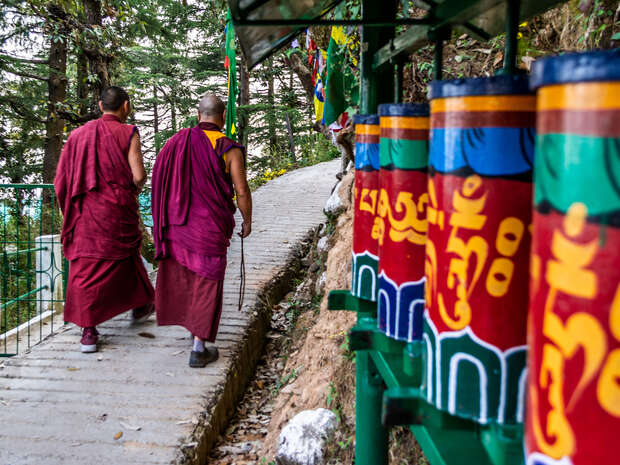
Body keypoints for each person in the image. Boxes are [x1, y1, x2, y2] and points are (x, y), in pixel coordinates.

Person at [151, 94, 252, 368]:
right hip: (209, 226)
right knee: (208, 279)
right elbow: (241, 191)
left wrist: (159, 222)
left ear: (198, 116)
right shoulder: (229, 148)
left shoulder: (175, 143)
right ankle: (199, 347)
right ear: (222, 118)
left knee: (186, 275)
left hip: (178, 223)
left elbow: (158, 180)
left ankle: (193, 331)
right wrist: (247, 221)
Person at [55, 86, 155, 353]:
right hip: (116, 211)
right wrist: (131, 191)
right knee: (125, 257)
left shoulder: (77, 136)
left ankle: (89, 332)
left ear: (100, 106)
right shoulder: (128, 132)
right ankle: (141, 304)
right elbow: (137, 175)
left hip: (86, 214)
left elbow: (61, 181)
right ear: (126, 107)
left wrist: (71, 208)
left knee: (86, 268)